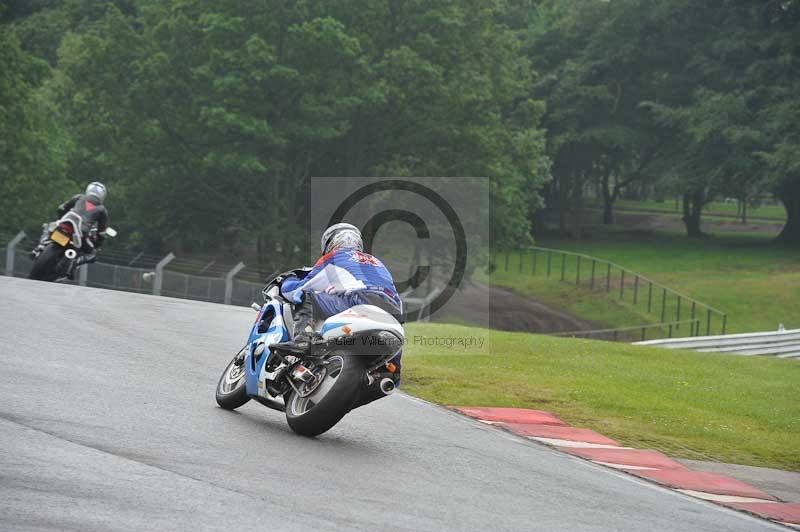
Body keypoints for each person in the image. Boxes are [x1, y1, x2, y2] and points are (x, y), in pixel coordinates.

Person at [270, 223, 403, 382]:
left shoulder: (334, 257)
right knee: (391, 341)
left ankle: (302, 340)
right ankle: (391, 372)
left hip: (359, 300)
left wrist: (287, 282)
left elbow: (300, 289)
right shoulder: (377, 262)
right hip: (393, 311)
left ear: (330, 242)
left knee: (306, 296)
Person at [33, 182, 109, 277]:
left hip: (65, 223)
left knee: (48, 226)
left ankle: (39, 247)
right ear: (102, 196)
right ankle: (74, 263)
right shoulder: (102, 209)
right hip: (81, 233)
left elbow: (62, 208)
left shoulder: (79, 197)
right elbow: (101, 232)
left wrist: (61, 218)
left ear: (88, 190)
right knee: (92, 253)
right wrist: (98, 243)